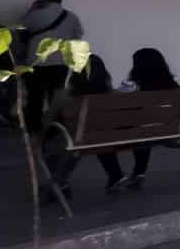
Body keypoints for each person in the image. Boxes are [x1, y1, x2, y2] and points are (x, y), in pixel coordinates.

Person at [44, 55, 128, 197]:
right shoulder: (112, 96)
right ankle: (115, 175)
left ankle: (60, 182)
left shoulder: (64, 96)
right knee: (98, 135)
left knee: (49, 140)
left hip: (74, 142)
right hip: (101, 139)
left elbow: (47, 122)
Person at [18, 0, 84, 132]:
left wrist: (32, 9)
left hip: (37, 63)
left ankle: (33, 127)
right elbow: (78, 35)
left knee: (35, 97)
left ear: (44, 0)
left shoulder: (36, 14)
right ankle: (55, 127)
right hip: (61, 62)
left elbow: (21, 27)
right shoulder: (71, 16)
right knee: (55, 96)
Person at [116, 48, 177, 188]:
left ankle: (134, 172)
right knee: (145, 128)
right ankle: (139, 171)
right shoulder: (172, 85)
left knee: (139, 127)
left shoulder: (131, 85)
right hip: (165, 128)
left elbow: (117, 106)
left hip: (139, 130)